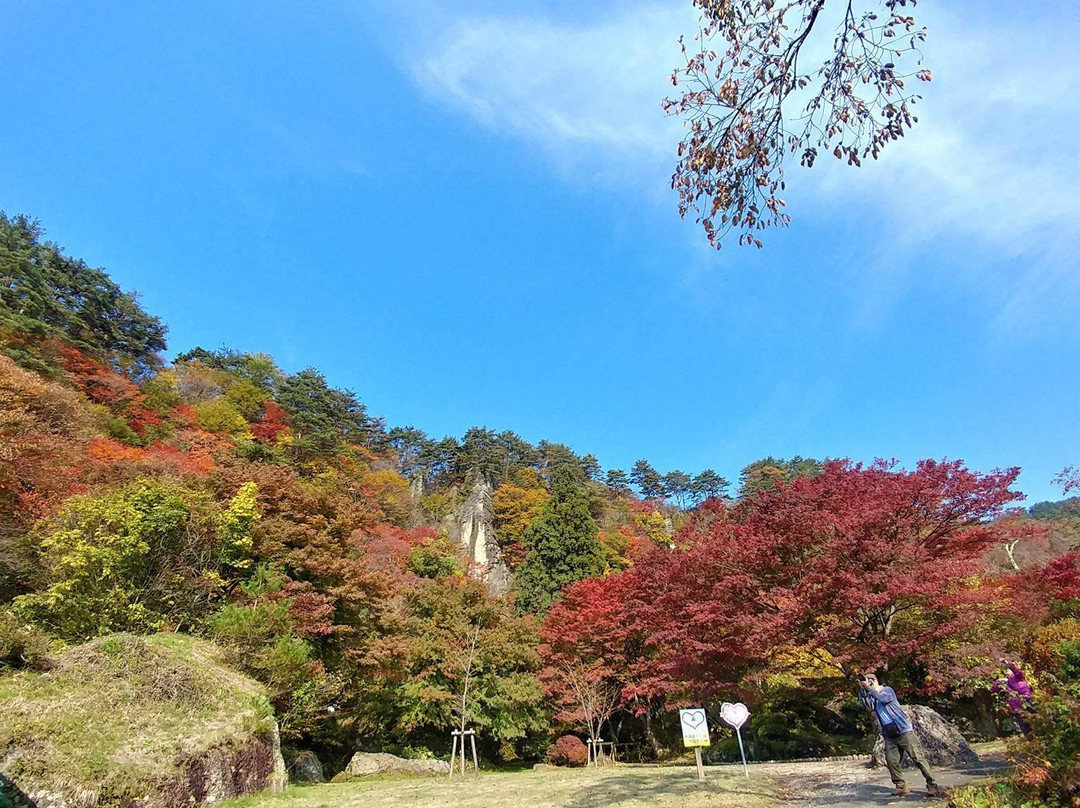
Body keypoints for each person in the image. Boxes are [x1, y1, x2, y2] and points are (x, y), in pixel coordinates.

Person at [858, 673, 942, 797]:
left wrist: (870, 688)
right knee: (891, 760)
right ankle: (900, 785)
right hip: (889, 734)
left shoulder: (887, 690)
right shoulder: (872, 697)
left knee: (918, 758)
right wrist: (862, 689)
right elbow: (867, 705)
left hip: (904, 731)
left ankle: (932, 785)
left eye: (870, 682)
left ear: (875, 681)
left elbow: (884, 699)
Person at [992, 658, 1034, 736]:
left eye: (1008, 671)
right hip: (1016, 708)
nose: (1007, 672)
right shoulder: (1005, 684)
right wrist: (998, 681)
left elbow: (1015, 669)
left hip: (1026, 701)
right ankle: (1031, 740)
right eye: (1006, 672)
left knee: (1033, 721)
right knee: (1025, 727)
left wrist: (1007, 663)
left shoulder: (1019, 677)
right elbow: (993, 689)